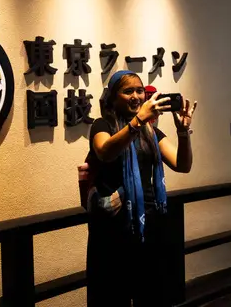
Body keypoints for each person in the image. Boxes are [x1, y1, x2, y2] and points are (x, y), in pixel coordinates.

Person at [86, 70, 196, 307]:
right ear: (113, 98)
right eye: (128, 91)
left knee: (151, 294)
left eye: (140, 91)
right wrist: (137, 122)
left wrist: (183, 132)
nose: (136, 96)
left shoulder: (151, 131)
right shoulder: (102, 125)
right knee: (112, 296)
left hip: (149, 225)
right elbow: (104, 151)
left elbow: (182, 164)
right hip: (113, 229)